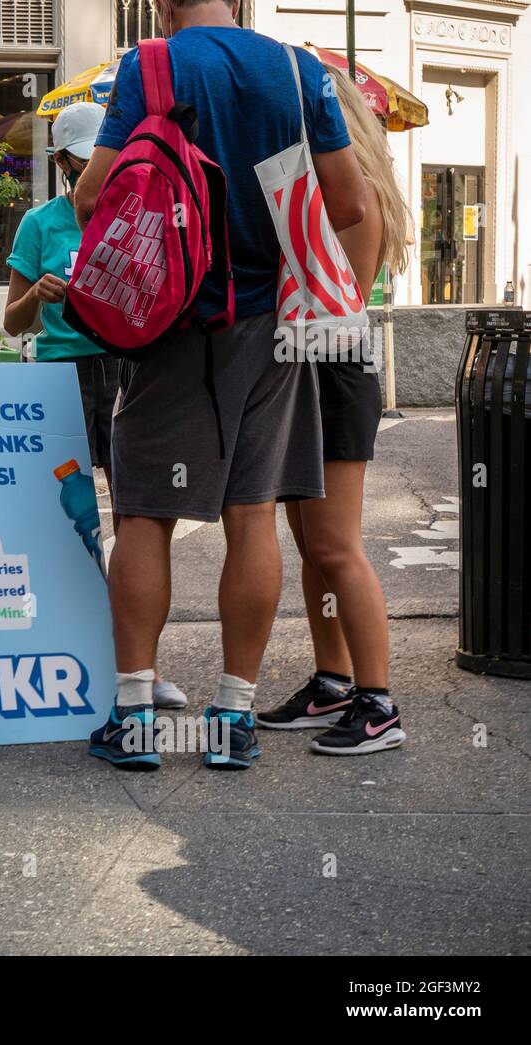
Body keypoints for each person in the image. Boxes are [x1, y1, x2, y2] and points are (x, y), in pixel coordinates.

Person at [74, 0, 369, 770]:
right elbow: (351, 205)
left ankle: (136, 716)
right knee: (252, 516)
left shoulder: (153, 65)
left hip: (170, 324)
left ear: (167, 6)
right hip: (271, 327)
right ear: (238, 1)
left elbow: (90, 196)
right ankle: (232, 719)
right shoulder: (301, 70)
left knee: (144, 513)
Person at [3, 101, 186, 711]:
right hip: (61, 374)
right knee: (67, 519)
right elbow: (10, 323)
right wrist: (36, 293)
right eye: (83, 166)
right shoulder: (40, 224)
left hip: (129, 367)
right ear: (61, 163)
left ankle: (141, 665)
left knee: (138, 516)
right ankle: (67, 657)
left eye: (100, 165)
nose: (95, 178)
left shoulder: (135, 211)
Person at [257, 64, 410, 755]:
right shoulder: (334, 187)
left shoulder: (351, 195)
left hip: (334, 369)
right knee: (312, 545)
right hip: (309, 366)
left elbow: (323, 290)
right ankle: (333, 679)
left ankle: (378, 703)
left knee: (338, 546)